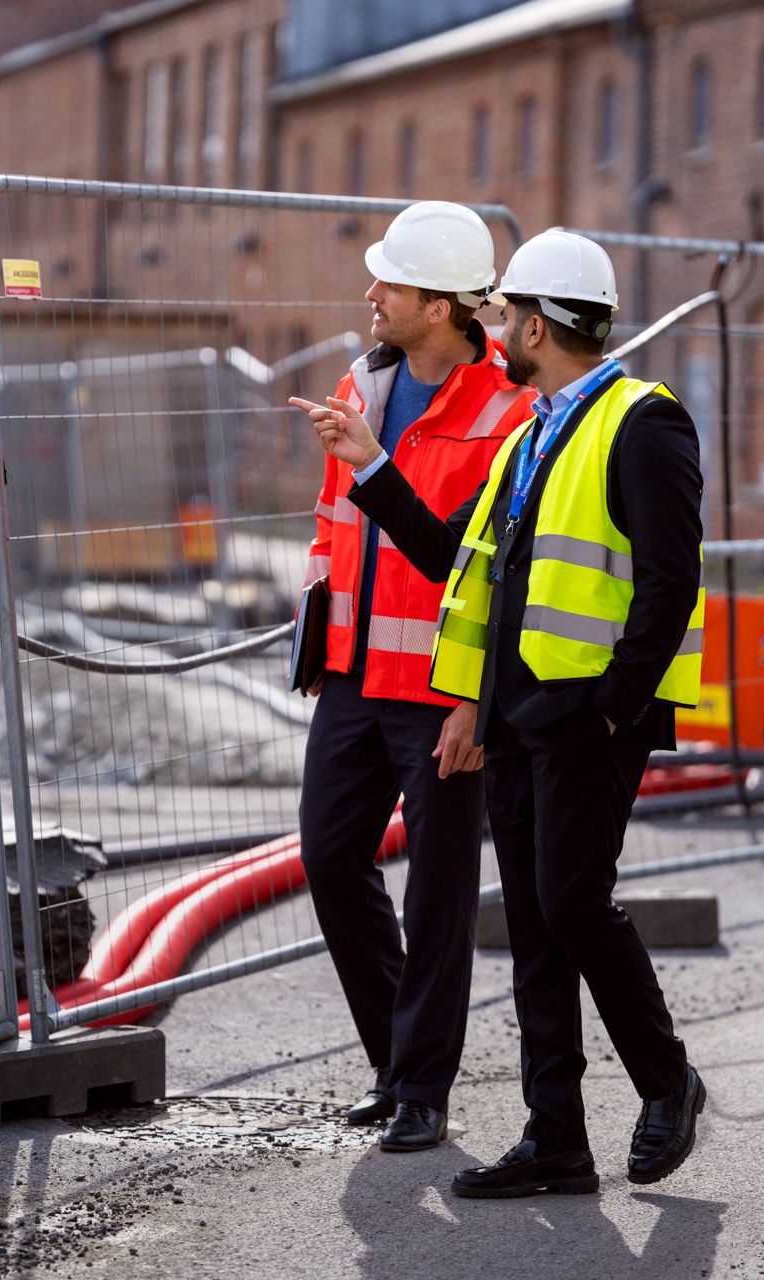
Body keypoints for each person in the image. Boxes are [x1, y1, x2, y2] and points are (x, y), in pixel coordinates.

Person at [299, 228, 709, 1196]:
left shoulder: (642, 422)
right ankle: (556, 1137)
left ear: (535, 323)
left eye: (504, 315)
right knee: (533, 923)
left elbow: (670, 582)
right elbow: (456, 562)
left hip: (591, 722)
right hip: (520, 719)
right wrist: (370, 467)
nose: (496, 328)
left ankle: (668, 1079)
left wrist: (612, 708)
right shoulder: (534, 434)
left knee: (571, 900)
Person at [282, 201, 534, 1154]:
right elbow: (329, 520)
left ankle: (421, 1086)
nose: (370, 294)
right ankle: (397, 1059)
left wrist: (373, 461)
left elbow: (450, 557)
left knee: (437, 888)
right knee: (329, 856)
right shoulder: (368, 376)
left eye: (389, 282)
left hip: (442, 688)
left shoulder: (509, 407)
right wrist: (320, 636)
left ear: (439, 306)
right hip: (351, 679)